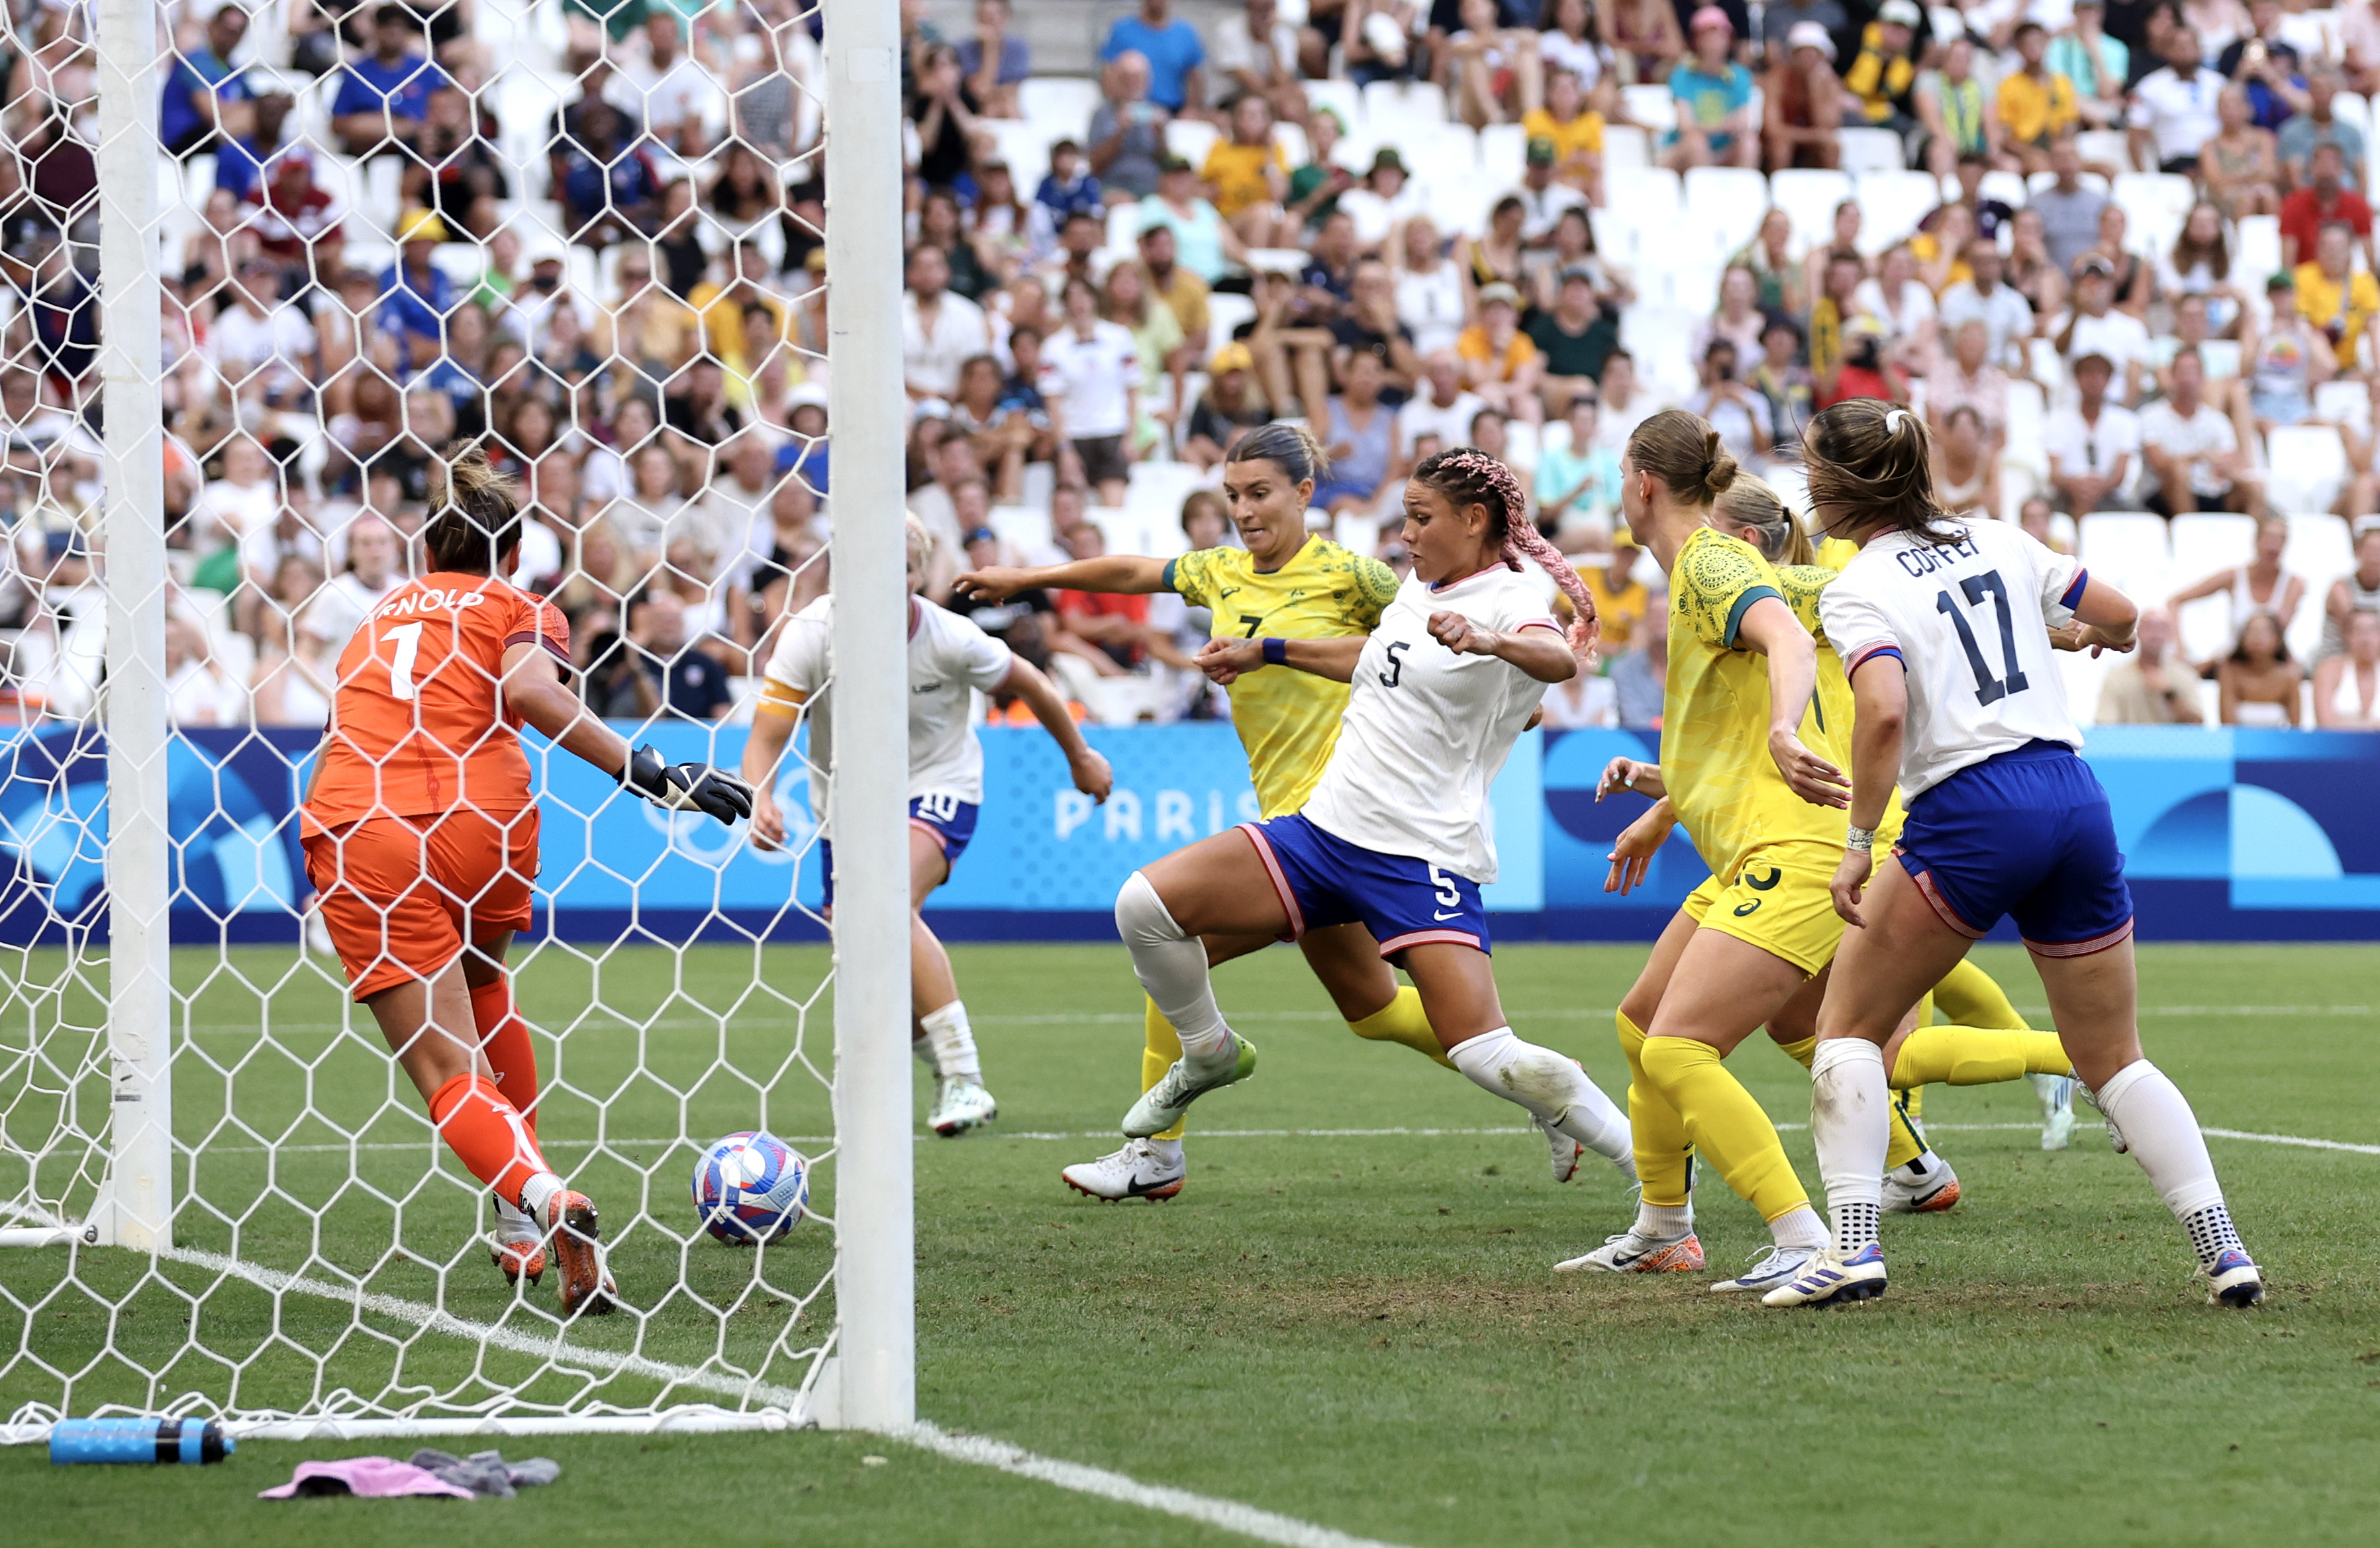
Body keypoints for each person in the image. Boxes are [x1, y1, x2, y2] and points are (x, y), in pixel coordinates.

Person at [954, 428, 1609, 1200]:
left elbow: (1431, 640)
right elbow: (1134, 571)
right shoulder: (1220, 571)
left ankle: (1158, 1156)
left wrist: (1504, 689)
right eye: (1232, 495)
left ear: (1304, 494)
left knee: (1178, 939)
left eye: (1260, 493)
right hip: (1304, 823)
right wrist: (1027, 577)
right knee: (1370, 1010)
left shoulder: (1360, 574)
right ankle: (1549, 1092)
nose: (1243, 511)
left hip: (1345, 817)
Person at [1771, 397, 2263, 1312]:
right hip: (2072, 798)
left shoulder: (1857, 584)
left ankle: (1849, 1249)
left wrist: (1852, 844)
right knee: (2113, 1055)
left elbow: (1880, 712)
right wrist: (2092, 637)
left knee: (1846, 1026)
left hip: (1971, 809)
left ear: (1838, 487)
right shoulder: (1999, 538)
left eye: (1811, 471)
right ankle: (2222, 1248)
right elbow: (2120, 615)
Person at [300, 452, 754, 1318]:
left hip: (369, 825)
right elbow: (529, 691)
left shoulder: (377, 618)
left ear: (424, 552)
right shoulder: (520, 604)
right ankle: (516, 1220)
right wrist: (655, 772)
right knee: (482, 984)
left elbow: (349, 733)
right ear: (510, 554)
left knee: (443, 1064)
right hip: (484, 820)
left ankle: (540, 1198)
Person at [745, 514, 1110, 1136]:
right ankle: (947, 1074)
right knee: (868, 952)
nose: (886, 586)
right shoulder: (812, 634)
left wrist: (1080, 756)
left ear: (919, 575)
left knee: (885, 905)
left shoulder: (951, 637)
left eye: (902, 571)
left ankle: (965, 1074)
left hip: (939, 787)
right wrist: (760, 796)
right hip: (848, 810)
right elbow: (767, 735)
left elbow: (1036, 685)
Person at [1664, 8, 1758, 170]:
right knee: (1696, 142)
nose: (1714, 41)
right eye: (1707, 34)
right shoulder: (1682, 74)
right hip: (1686, 149)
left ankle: (1743, 193)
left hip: (1723, 149)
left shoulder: (1740, 75)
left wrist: (1707, 127)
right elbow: (1686, 126)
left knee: (1749, 142)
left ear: (1729, 39)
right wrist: (1724, 125)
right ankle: (1704, 192)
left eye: (1720, 34)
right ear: (1696, 40)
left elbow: (1743, 122)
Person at [2129, 23, 2223, 176]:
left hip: (2218, 162)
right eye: (2179, 46)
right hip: (2175, 164)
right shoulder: (2150, 87)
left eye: (2190, 45)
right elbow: (2136, 133)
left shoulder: (2218, 84)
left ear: (2200, 48)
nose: (2185, 50)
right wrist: (2143, 176)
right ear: (2166, 50)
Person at [2097, 606, 2206, 723]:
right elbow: (2104, 726)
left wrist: (2169, 694)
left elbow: (2198, 728)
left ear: (2171, 634)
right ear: (2136, 632)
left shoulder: (2185, 676)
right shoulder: (2116, 678)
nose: (2156, 634)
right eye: (2149, 627)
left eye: (2162, 628)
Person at [1995, 23, 2077, 173]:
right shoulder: (2009, 85)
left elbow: (2069, 124)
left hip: (2057, 147)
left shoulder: (2062, 83)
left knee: (2103, 170)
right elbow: (2005, 135)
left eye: (2038, 42)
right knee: (2041, 166)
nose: (2034, 48)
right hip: (2025, 149)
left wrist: (2062, 148)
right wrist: (2027, 152)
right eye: (2028, 44)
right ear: (2018, 48)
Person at [2278, 142, 2373, 271]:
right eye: (2321, 165)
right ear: (2311, 169)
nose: (2326, 171)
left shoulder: (2358, 206)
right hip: (2305, 282)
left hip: (2347, 282)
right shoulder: (2293, 206)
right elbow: (2287, 263)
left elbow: (2370, 258)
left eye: (2332, 166)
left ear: (2342, 169)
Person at [1101, 0, 1208, 115]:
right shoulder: (1122, 31)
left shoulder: (1186, 34)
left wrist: (1191, 110)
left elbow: (1195, 78)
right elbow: (1109, 74)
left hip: (1173, 111)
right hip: (1131, 110)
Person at [1764, 22, 1842, 171]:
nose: (1809, 58)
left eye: (1815, 53)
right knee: (1781, 147)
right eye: (1804, 52)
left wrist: (1816, 91)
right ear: (1793, 55)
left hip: (1812, 150)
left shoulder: (1830, 84)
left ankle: (1832, 190)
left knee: (1831, 147)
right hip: (1782, 144)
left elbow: (1828, 126)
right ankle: (1778, 189)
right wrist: (1812, 136)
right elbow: (1772, 129)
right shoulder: (1777, 79)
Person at [2217, 611, 2302, 725]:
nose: (2257, 637)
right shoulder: (2230, 673)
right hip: (2239, 741)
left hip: (2277, 742)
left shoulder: (2289, 678)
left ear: (2278, 639)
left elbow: (2296, 729)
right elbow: (2227, 725)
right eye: (2251, 631)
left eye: (2265, 632)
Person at [2318, 521, 2380, 661]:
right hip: (2337, 660)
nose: (2376, 559)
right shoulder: (2340, 588)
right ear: (2358, 552)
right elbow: (2355, 632)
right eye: (2371, 551)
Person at [2313, 608, 2380, 726]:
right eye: (2359, 631)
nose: (2366, 640)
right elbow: (2325, 724)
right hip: (2337, 744)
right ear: (2347, 635)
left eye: (2373, 631)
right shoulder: (2329, 670)